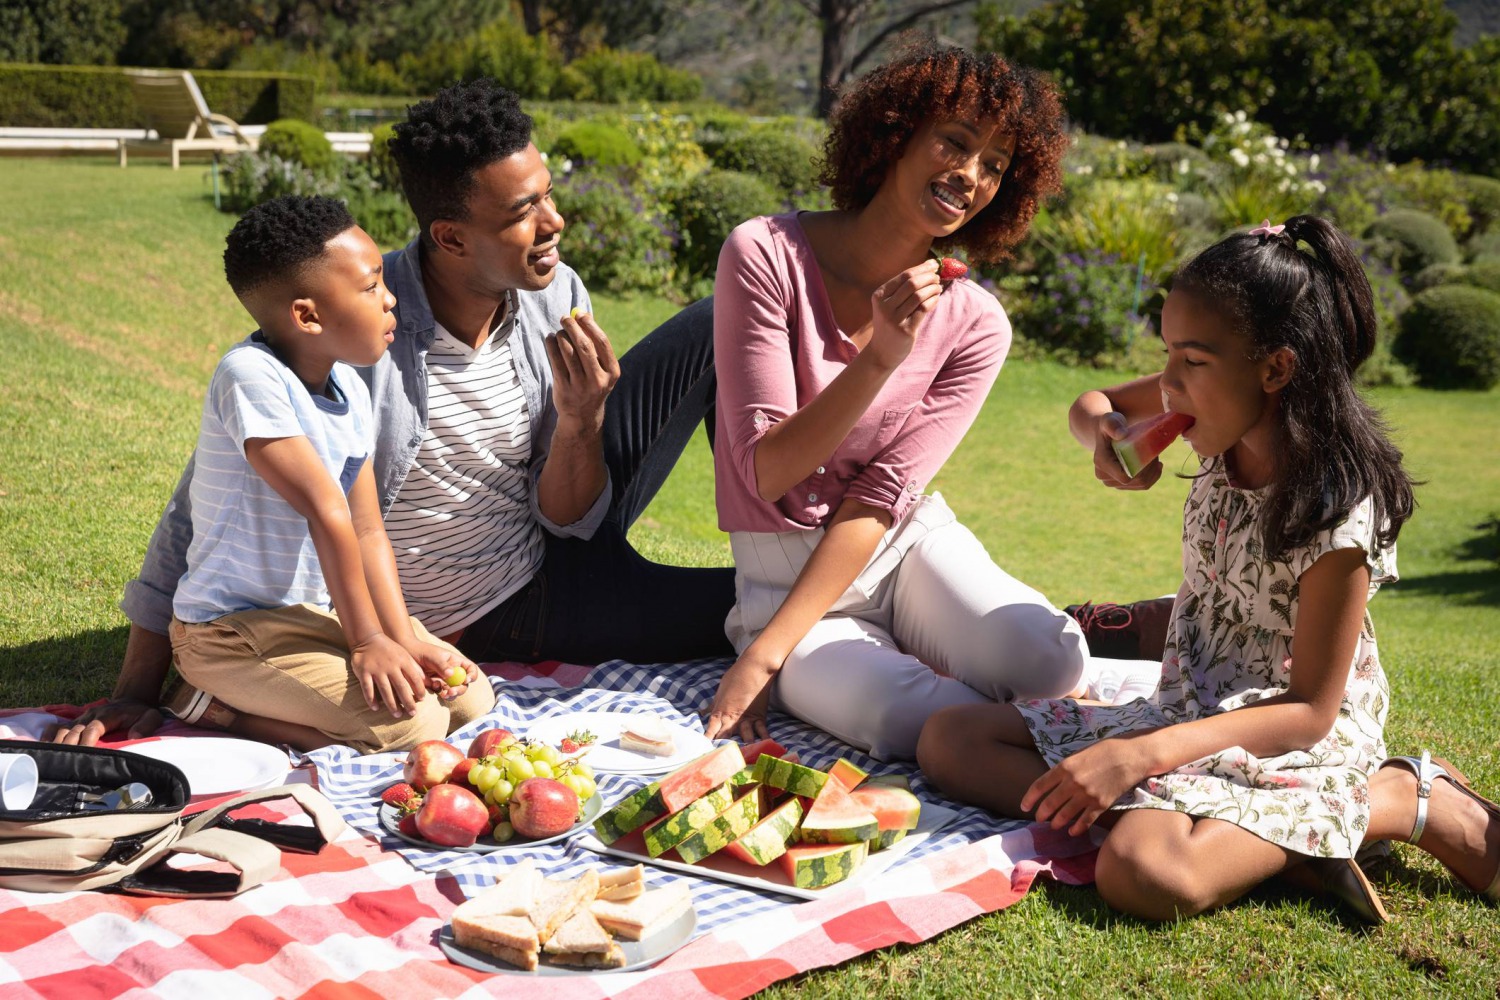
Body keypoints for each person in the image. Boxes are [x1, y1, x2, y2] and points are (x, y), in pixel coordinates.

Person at [54, 78, 734, 748]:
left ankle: (790, 548)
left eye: (548, 194)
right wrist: (137, 687)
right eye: (523, 212)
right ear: (452, 237)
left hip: (549, 532)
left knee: (722, 320)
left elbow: (567, 515)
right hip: (502, 613)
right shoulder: (347, 331)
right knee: (735, 613)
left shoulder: (556, 294)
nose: (554, 222)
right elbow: (196, 505)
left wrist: (582, 419)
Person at [918, 216, 1499, 921]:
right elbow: (1091, 405)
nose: (1167, 385)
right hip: (1189, 703)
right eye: (1166, 355)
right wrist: (1107, 437)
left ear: (1275, 368)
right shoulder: (1211, 404)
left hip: (1287, 734)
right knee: (950, 740)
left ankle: (1397, 797)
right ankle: (1284, 843)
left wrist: (1138, 759)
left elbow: (1310, 712)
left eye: (1191, 362)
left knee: (1142, 871)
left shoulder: (1335, 509)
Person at [701, 43, 1094, 760]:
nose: (971, 175)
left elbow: (882, 496)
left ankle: (1042, 704)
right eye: (955, 141)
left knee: (1049, 662)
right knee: (898, 719)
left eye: (995, 165)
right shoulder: (763, 255)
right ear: (894, 133)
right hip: (783, 583)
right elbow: (768, 472)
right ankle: (1033, 726)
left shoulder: (975, 322)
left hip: (901, 547)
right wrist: (765, 653)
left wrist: (889, 350)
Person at [154, 194, 493, 753]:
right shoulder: (250, 375)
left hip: (311, 619)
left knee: (470, 698)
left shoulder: (351, 391)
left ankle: (306, 693)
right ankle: (210, 709)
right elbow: (327, 510)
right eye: (370, 288)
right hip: (228, 637)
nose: (391, 302)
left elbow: (366, 530)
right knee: (412, 727)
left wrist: (402, 635)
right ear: (308, 315)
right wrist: (367, 642)